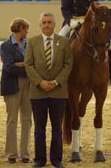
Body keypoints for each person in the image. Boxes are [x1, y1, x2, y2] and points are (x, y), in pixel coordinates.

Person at [25, 13, 73, 168]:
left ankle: (56, 159)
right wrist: (40, 82)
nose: (47, 25)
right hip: (38, 92)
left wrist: (56, 82)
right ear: (40, 25)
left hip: (58, 92)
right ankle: (40, 159)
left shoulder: (64, 42)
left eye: (49, 22)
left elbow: (68, 64)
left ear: (54, 24)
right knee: (39, 128)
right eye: (44, 22)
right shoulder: (32, 42)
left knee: (57, 128)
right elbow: (28, 65)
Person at [0, 18, 32, 164]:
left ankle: (25, 154)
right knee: (11, 120)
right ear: (20, 28)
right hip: (12, 85)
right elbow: (8, 66)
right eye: (25, 29)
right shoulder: (6, 45)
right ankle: (11, 154)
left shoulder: (29, 43)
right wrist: (26, 67)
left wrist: (21, 65)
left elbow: (34, 63)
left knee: (27, 120)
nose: (27, 32)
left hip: (29, 85)